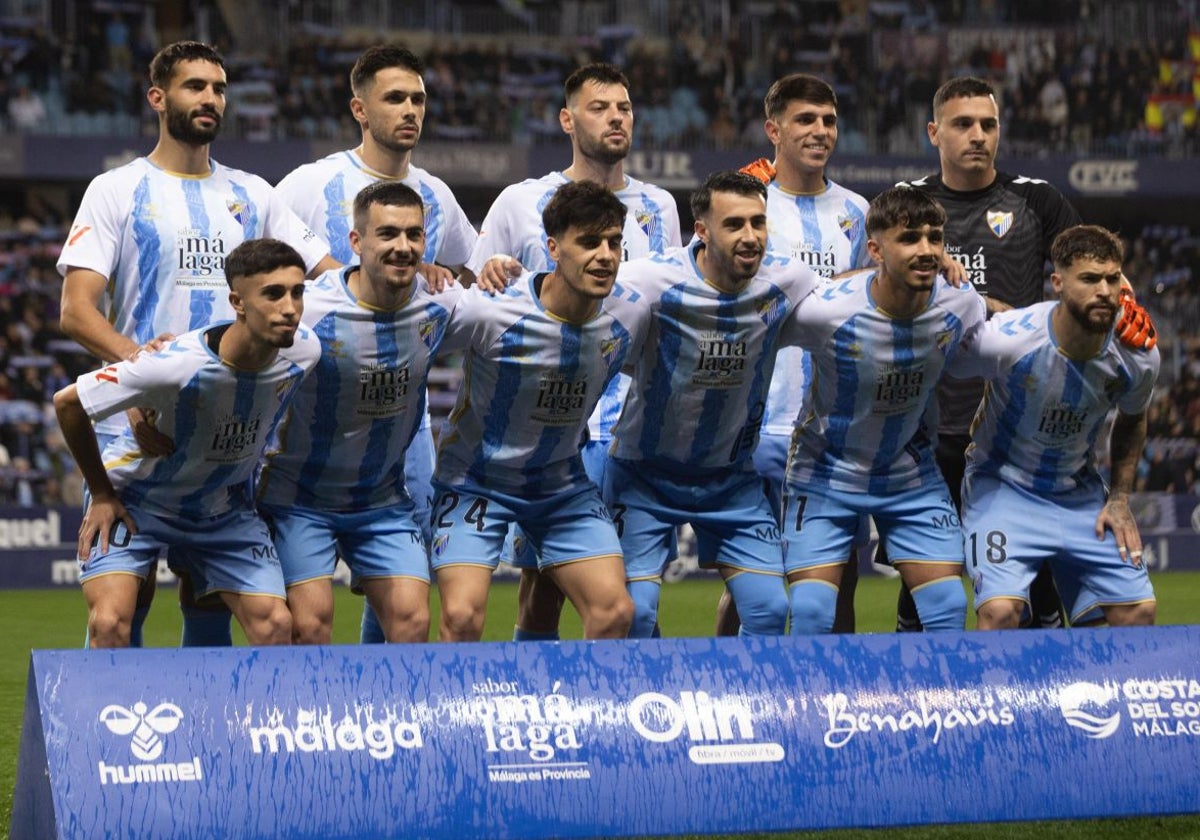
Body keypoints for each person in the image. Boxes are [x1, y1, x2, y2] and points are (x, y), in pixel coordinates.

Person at [55, 40, 336, 647]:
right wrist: (140, 372)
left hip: (223, 451)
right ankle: (115, 738)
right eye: (194, 86)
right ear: (158, 98)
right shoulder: (116, 189)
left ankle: (213, 738)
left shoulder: (255, 194)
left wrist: (423, 275)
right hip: (135, 439)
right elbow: (76, 311)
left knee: (211, 602)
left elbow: (331, 279)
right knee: (119, 615)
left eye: (219, 88)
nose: (210, 98)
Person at [465, 62, 681, 641]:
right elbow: (485, 299)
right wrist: (487, 271)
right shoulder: (520, 202)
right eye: (599, 107)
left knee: (635, 603)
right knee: (541, 596)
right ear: (567, 119)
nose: (616, 116)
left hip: (639, 433)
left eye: (625, 107)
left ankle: (629, 716)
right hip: (557, 434)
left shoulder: (660, 206)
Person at [274, 44, 478, 643]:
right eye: (395, 98)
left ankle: (380, 703)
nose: (410, 109)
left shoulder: (435, 194)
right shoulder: (310, 184)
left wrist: (445, 271)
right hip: (316, 419)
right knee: (301, 616)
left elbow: (473, 270)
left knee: (401, 599)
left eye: (418, 98)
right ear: (359, 109)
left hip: (402, 431)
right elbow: (261, 272)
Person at [53, 238, 321, 648]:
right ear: (238, 302)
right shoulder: (174, 364)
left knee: (275, 625)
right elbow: (67, 403)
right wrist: (102, 493)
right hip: (137, 500)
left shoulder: (305, 350)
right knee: (109, 623)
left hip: (223, 509)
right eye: (273, 294)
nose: (290, 308)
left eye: (297, 292)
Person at [605, 170, 818, 638]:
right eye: (734, 224)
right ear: (701, 230)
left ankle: (740, 705)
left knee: (767, 608)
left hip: (730, 479)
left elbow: (847, 298)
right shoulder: (649, 281)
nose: (750, 237)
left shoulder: (788, 279)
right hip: (644, 474)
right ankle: (654, 704)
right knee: (634, 614)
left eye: (758, 223)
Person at [431, 180, 647, 642]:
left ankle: (569, 712)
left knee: (615, 612)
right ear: (552, 248)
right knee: (463, 617)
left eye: (613, 243)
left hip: (560, 483)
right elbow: (410, 332)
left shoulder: (630, 314)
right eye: (588, 243)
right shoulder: (490, 310)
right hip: (476, 481)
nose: (605, 255)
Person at [258, 182, 461, 644]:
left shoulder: (440, 305)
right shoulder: (308, 309)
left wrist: (495, 269)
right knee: (309, 626)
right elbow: (235, 355)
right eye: (387, 233)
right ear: (356, 242)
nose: (403, 246)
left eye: (414, 235)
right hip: (300, 499)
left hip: (381, 500)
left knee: (413, 621)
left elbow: (506, 319)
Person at [782, 187, 985, 635]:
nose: (927, 250)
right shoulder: (825, 311)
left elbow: (1001, 333)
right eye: (910, 238)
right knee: (813, 612)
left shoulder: (960, 302)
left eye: (935, 238)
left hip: (907, 473)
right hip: (824, 469)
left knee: (949, 606)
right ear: (874, 249)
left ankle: (930, 704)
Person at [721, 73, 871, 636]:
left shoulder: (856, 211)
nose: (820, 131)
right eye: (805, 120)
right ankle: (731, 691)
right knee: (747, 584)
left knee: (840, 581)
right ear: (773, 130)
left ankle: (839, 697)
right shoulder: (746, 205)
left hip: (832, 428)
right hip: (756, 422)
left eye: (829, 120)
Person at [955, 225, 1158, 629]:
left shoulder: (1139, 355)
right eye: (1089, 279)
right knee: (1000, 613)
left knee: (1138, 612)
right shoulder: (1009, 340)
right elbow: (941, 353)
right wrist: (978, 304)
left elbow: (1133, 420)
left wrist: (1119, 499)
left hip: (1078, 493)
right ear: (1058, 283)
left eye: (1112, 278)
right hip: (1002, 486)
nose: (1104, 291)